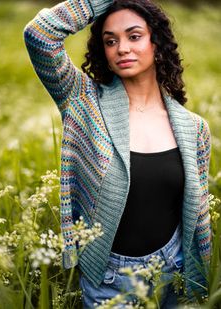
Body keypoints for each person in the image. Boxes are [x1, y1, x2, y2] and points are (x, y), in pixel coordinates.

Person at [24, 0, 211, 307]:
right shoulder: (83, 102)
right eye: (110, 41)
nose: (122, 48)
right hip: (110, 279)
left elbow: (198, 218)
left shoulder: (194, 129)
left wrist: (198, 278)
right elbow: (40, 35)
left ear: (156, 42)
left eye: (134, 36)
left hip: (176, 273)